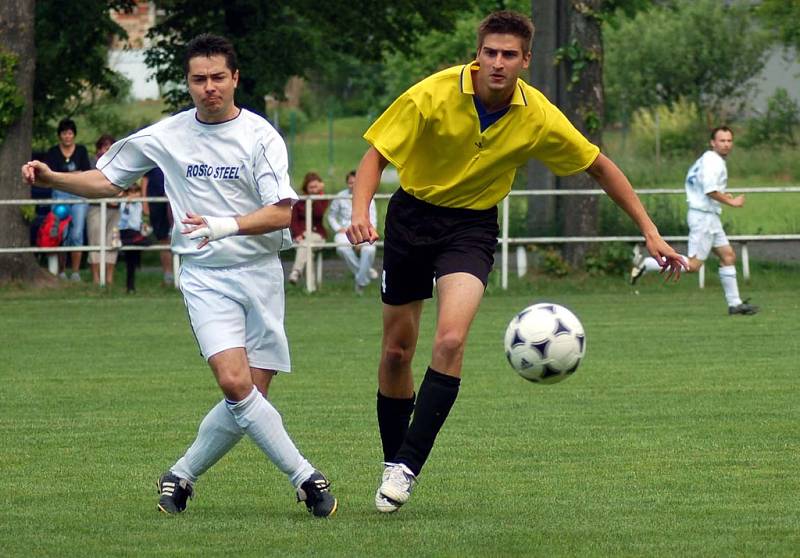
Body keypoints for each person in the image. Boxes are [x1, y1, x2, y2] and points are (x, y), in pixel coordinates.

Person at [346, 10, 686, 513]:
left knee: (451, 339)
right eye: (490, 53)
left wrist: (650, 231)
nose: (498, 63)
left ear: (526, 60)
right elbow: (376, 154)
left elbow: (599, 165)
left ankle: (408, 467)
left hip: (471, 228)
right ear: (477, 54)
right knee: (397, 352)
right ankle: (392, 458)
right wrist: (359, 212)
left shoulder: (538, 114)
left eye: (509, 55)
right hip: (411, 219)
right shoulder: (433, 93)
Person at [22, 33, 337, 518]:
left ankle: (181, 475)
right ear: (187, 84)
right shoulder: (166, 134)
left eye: (217, 77)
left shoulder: (261, 136)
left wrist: (223, 225)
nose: (209, 87)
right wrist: (53, 179)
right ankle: (306, 478)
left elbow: (281, 213)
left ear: (234, 79)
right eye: (198, 79)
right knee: (235, 385)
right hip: (206, 278)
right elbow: (108, 179)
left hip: (261, 273)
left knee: (251, 398)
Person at [630, 126, 758, 315]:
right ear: (712, 142)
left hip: (710, 216)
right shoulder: (713, 161)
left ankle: (735, 304)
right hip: (703, 218)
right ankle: (647, 264)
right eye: (722, 141)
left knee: (728, 256)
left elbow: (708, 189)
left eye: (729, 141)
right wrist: (731, 201)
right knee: (692, 266)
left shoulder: (709, 159)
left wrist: (722, 196)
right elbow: (709, 190)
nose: (726, 144)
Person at [45, 118, 92, 280]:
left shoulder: (81, 151)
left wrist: (63, 176)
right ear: (60, 135)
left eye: (70, 133)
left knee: (77, 234)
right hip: (60, 195)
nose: (67, 136)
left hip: (79, 195)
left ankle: (76, 272)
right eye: (64, 133)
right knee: (60, 232)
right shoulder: (52, 152)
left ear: (74, 135)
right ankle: (61, 271)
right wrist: (73, 175)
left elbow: (86, 173)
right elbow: (50, 175)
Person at [328, 170, 378, 294]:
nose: (353, 185)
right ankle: (364, 273)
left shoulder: (368, 195)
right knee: (342, 248)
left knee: (369, 249)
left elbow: (373, 217)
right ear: (347, 183)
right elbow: (331, 216)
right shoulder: (340, 196)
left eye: (356, 182)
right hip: (344, 231)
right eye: (350, 182)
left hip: (364, 230)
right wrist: (337, 228)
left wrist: (367, 233)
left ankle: (360, 282)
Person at [86, 134, 121, 285]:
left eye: (110, 146)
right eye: (105, 146)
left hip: (115, 209)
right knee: (95, 241)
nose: (107, 149)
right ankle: (96, 279)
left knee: (112, 242)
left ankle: (109, 279)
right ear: (99, 148)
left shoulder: (120, 163)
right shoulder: (93, 163)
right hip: (96, 207)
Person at [288, 171, 329, 290]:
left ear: (320, 186)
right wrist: (298, 234)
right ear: (306, 187)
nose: (313, 189)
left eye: (316, 186)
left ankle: (296, 271)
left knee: (305, 244)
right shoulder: (298, 200)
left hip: (318, 236)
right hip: (302, 237)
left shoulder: (323, 199)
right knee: (306, 249)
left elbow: (319, 213)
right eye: (311, 187)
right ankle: (311, 288)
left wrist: (316, 198)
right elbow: (293, 220)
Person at [141, 166, 175, 286]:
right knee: (163, 238)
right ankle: (168, 275)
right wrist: (144, 202)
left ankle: (183, 274)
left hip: (175, 201)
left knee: (180, 237)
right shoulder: (153, 153)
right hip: (156, 199)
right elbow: (145, 179)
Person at [118, 183, 151, 293]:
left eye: (137, 191)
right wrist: (127, 202)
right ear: (127, 193)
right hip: (125, 232)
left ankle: (130, 287)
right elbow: (123, 220)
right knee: (131, 260)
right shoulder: (123, 203)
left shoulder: (139, 204)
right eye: (132, 192)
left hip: (135, 232)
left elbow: (139, 220)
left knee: (132, 260)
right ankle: (130, 286)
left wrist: (143, 225)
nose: (135, 194)